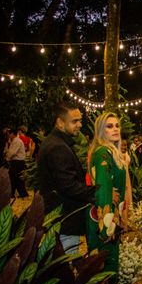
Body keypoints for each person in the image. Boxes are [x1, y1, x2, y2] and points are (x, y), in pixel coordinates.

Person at [87, 112, 132, 284]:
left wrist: (121, 214)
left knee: (111, 266)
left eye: (117, 126)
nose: (115, 129)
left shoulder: (114, 152)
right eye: (109, 126)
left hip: (112, 217)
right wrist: (107, 227)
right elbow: (103, 191)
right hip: (103, 221)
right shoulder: (102, 153)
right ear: (100, 131)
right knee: (102, 267)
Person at [37, 101, 96, 254]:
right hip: (65, 218)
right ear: (60, 122)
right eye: (74, 121)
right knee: (62, 267)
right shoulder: (57, 147)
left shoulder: (56, 142)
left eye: (80, 120)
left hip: (61, 217)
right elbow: (68, 186)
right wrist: (99, 192)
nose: (79, 125)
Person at [4, 128, 29, 198]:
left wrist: (7, 159)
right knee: (16, 178)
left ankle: (18, 193)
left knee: (14, 178)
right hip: (17, 162)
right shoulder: (14, 140)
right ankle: (18, 193)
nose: (8, 135)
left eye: (9, 133)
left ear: (12, 134)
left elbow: (12, 152)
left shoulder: (16, 141)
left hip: (18, 162)